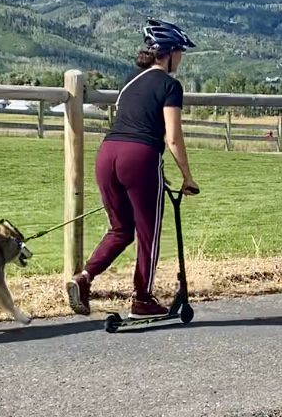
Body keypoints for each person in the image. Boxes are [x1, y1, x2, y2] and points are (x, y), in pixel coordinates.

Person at [65, 19, 199, 318]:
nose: (181, 58)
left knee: (121, 229)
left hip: (107, 154)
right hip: (139, 156)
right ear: (169, 52)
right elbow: (173, 137)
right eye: (180, 52)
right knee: (148, 232)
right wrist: (188, 178)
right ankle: (142, 299)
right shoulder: (170, 85)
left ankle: (83, 278)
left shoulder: (130, 80)